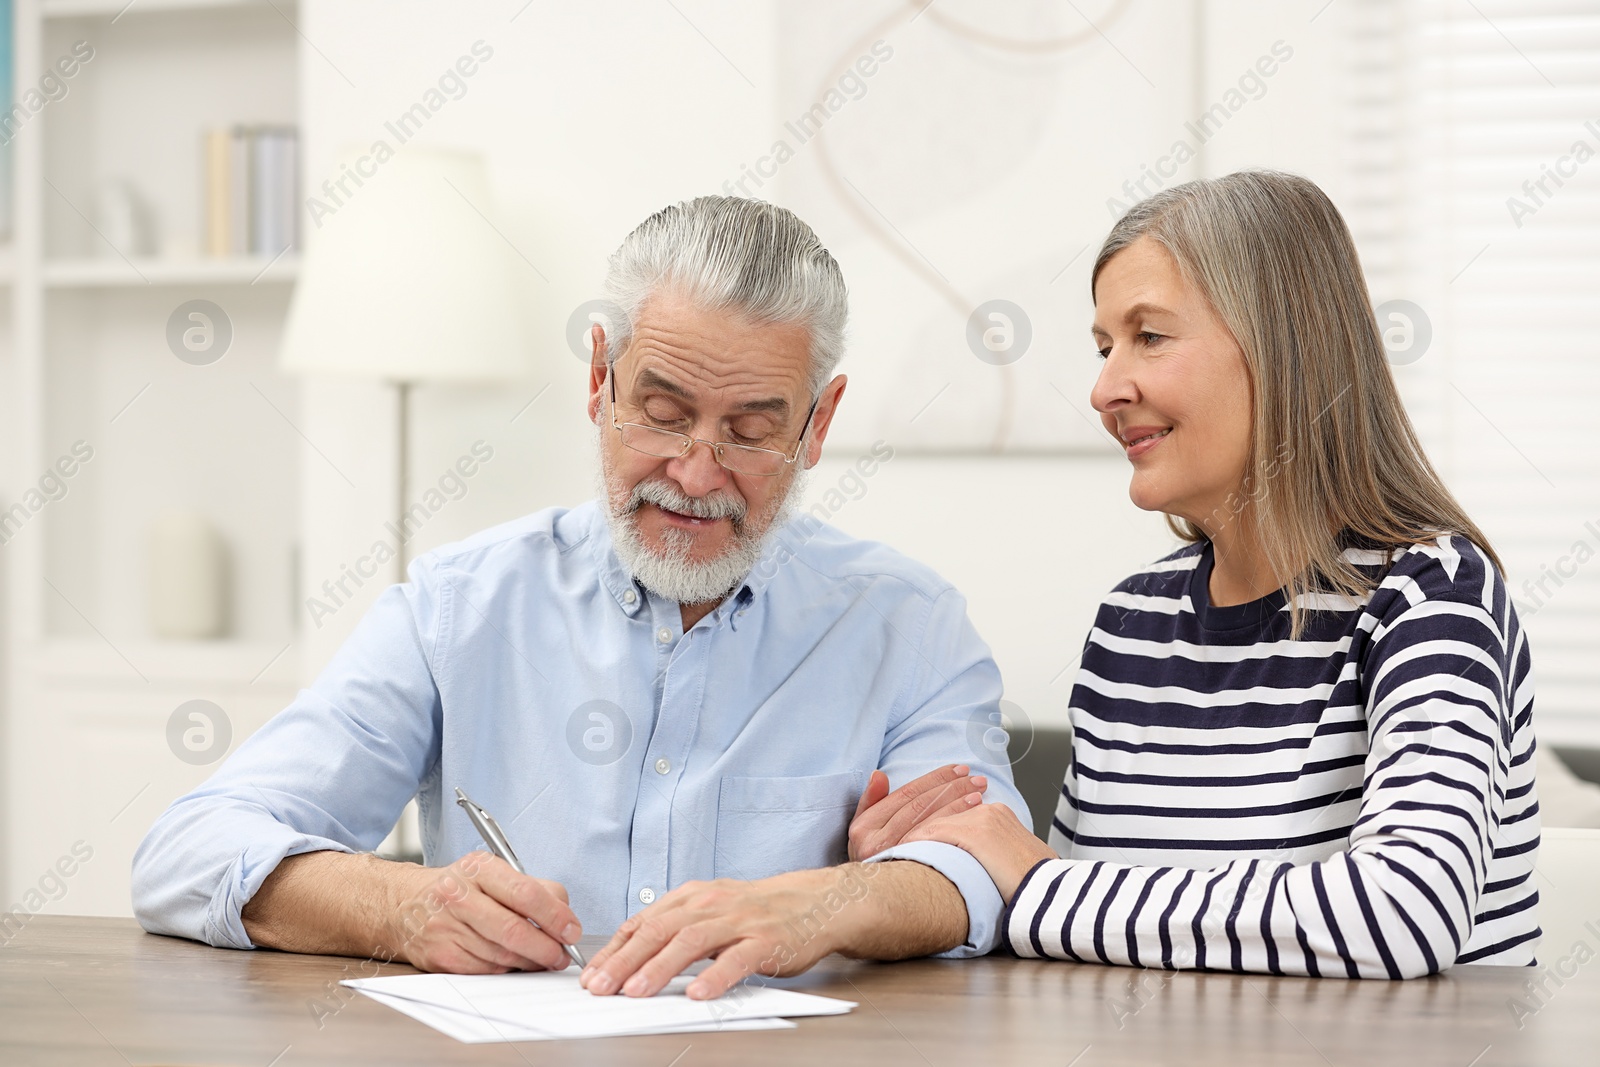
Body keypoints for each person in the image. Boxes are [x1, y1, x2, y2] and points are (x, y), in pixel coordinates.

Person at [132, 196, 1029, 1000]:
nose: (695, 471)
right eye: (664, 413)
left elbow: (992, 868)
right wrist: (397, 904)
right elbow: (186, 853)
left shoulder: (909, 625)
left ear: (817, 426)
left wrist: (834, 902)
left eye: (751, 431)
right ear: (599, 377)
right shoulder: (459, 608)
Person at [866, 170, 1540, 978]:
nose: (1107, 387)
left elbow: (1403, 913)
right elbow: (1085, 935)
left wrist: (1036, 883)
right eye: (1104, 346)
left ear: (1284, 348)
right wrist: (915, 872)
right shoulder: (1132, 621)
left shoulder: (1431, 595)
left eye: (1150, 336)